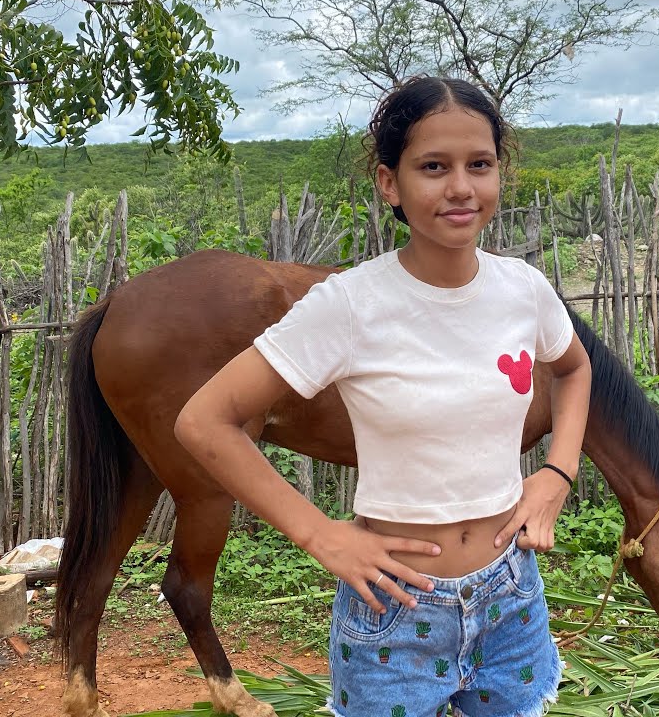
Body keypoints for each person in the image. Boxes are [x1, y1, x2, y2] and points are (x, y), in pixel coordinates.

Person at [175, 75, 592, 717]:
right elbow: (205, 422)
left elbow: (573, 371)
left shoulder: (524, 289)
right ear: (389, 183)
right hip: (394, 613)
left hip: (512, 596)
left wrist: (557, 474)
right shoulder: (351, 305)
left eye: (479, 164)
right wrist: (321, 535)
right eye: (433, 167)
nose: (460, 187)